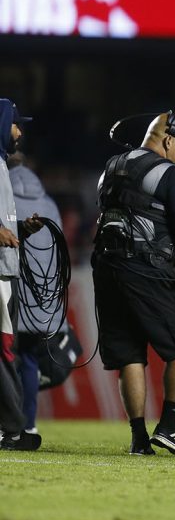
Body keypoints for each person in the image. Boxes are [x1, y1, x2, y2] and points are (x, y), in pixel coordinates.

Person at [92, 111, 175, 456]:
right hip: (144, 267)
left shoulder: (112, 164)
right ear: (168, 140)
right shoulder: (169, 173)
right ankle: (168, 426)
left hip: (106, 266)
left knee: (129, 353)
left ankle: (139, 439)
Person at [9, 153, 63, 439]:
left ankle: (9, 426)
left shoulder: (5, 197)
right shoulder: (48, 203)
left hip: (12, 291)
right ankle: (28, 423)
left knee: (7, 358)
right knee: (28, 359)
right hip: (40, 297)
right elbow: (59, 254)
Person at [0, 100, 44, 451]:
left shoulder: (2, 164)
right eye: (16, 124)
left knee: (7, 352)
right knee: (3, 353)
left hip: (5, 273)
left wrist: (20, 229)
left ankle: (11, 428)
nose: (20, 131)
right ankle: (11, 428)